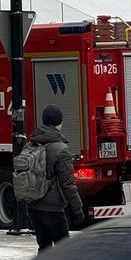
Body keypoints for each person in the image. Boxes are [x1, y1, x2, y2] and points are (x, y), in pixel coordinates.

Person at [28, 105, 85, 250]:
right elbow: (68, 184)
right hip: (53, 208)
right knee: (63, 251)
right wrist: (77, 209)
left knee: (44, 248)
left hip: (34, 206)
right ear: (59, 123)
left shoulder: (30, 145)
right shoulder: (61, 149)